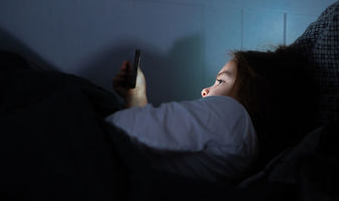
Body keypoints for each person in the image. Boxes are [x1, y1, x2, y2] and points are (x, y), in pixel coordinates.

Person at [106, 45, 318, 184]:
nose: (204, 91)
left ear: (255, 93)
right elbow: (139, 148)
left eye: (220, 81)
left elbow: (117, 130)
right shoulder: (245, 148)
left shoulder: (232, 114)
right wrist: (136, 98)